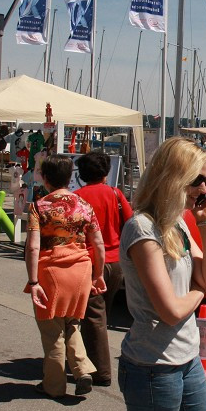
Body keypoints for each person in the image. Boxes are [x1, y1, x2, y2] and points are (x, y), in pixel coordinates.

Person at [102, 137, 206, 411]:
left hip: (186, 362)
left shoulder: (180, 223)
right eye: (197, 180)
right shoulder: (142, 229)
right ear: (174, 178)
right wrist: (199, 292)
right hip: (153, 369)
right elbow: (171, 310)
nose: (205, 189)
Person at [25, 154, 107, 398]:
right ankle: (82, 370)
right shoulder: (84, 206)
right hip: (81, 270)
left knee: (52, 332)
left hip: (51, 271)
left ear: (46, 179)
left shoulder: (40, 207)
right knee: (72, 324)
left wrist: (33, 281)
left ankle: (54, 386)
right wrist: (98, 275)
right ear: (70, 177)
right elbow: (99, 244)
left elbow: (32, 247)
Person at [74, 149, 133, 386]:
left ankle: (100, 370)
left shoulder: (77, 197)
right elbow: (129, 221)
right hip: (116, 260)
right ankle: (87, 358)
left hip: (89, 260)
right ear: (106, 172)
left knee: (93, 317)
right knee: (101, 315)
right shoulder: (115, 194)